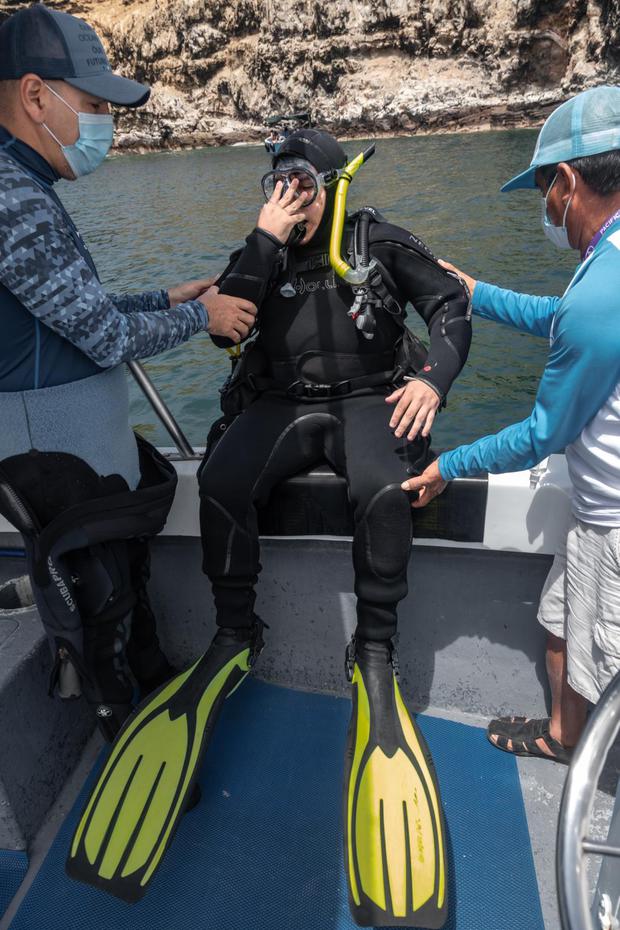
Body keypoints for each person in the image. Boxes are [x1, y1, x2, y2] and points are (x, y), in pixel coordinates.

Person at [64, 129, 471, 924]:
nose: (294, 198)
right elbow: (224, 330)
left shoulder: (374, 237)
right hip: (282, 403)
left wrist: (435, 377)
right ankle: (233, 633)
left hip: (369, 398)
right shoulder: (266, 245)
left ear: (334, 183)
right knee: (218, 478)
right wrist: (263, 236)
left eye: (305, 186)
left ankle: (375, 649)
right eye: (279, 184)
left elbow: (450, 301)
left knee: (385, 492)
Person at [0, 3, 257, 740]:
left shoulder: (25, 185)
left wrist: (164, 296)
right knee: (99, 599)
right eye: (91, 104)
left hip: (75, 443)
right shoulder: (12, 197)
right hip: (51, 451)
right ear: (35, 96)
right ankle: (125, 733)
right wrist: (203, 318)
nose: (103, 121)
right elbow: (104, 338)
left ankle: (148, 702)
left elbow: (59, 317)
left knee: (116, 584)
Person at [402, 86, 620, 765]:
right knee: (560, 625)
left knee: (606, 661)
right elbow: (564, 320)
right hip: (594, 515)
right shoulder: (604, 270)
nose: (545, 208)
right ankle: (562, 737)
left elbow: (543, 434)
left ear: (568, 181)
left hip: (614, 524)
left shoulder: (603, 288)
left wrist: (447, 465)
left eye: (543, 191)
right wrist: (475, 292)